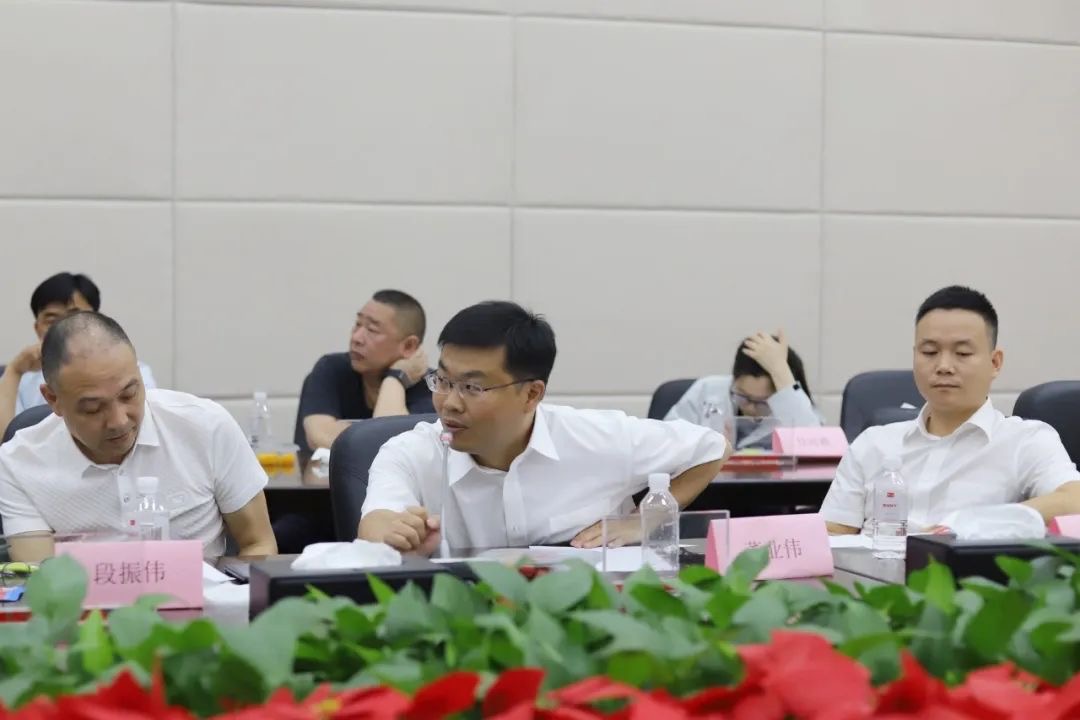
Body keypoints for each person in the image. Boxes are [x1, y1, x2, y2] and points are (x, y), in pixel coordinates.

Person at [357, 301, 732, 554]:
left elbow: (713, 448)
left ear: (531, 393)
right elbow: (375, 523)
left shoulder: (599, 438)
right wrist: (393, 534)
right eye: (443, 381)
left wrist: (644, 523)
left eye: (472, 387)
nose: (449, 402)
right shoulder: (410, 453)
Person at [0, 312, 277, 562]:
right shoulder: (19, 464)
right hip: (83, 605)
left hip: (205, 601)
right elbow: (41, 579)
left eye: (129, 394)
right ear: (53, 399)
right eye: (93, 408)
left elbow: (258, 543)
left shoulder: (206, 426)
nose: (119, 421)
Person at [822, 286, 1080, 535]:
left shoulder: (1025, 440)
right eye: (930, 352)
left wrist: (977, 524)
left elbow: (1074, 501)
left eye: (962, 353)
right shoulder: (872, 443)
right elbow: (831, 535)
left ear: (995, 362)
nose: (944, 366)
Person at [0, 272, 157, 437]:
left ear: (96, 319)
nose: (64, 329)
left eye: (74, 317)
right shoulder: (20, 381)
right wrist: (14, 371)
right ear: (37, 328)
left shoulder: (133, 372)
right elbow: (6, 440)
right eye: (51, 320)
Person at [298, 289, 434, 453]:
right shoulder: (332, 368)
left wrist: (396, 379)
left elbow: (390, 446)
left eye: (372, 330)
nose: (356, 338)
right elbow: (319, 437)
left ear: (408, 346)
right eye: (358, 324)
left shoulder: (433, 388)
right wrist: (367, 438)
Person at [665, 330, 822, 449]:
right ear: (733, 380)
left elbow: (814, 448)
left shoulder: (793, 406)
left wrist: (781, 371)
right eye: (743, 397)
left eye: (762, 402)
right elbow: (667, 443)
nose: (751, 408)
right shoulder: (707, 391)